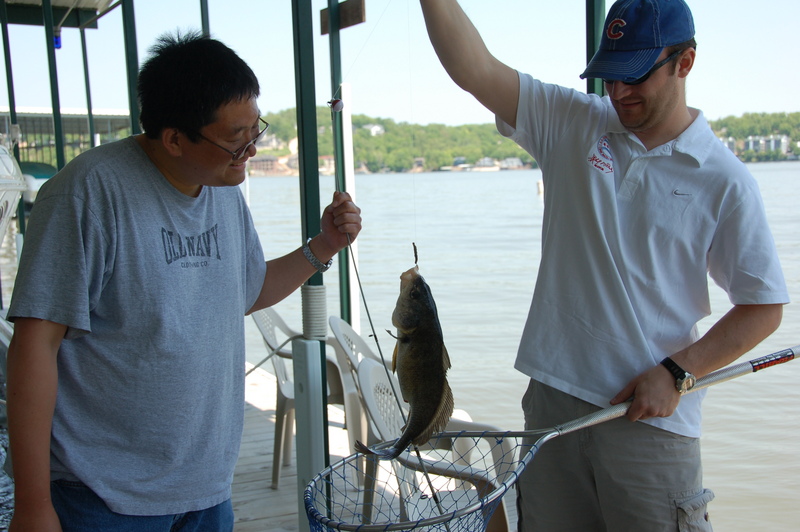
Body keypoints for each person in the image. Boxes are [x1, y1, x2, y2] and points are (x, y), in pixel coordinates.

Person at [419, 0, 788, 530]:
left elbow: (763, 307)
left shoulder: (726, 181)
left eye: (634, 76)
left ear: (684, 63)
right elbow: (474, 68)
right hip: (551, 407)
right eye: (609, 76)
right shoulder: (572, 121)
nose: (618, 92)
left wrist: (678, 372)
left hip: (650, 422)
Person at [4, 32, 361, 532]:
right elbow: (33, 347)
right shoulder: (86, 195)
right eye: (236, 138)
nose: (251, 149)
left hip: (207, 489)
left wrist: (323, 246)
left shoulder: (222, 185)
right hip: (101, 497)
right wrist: (32, 504)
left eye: (255, 129)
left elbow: (247, 290)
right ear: (174, 139)